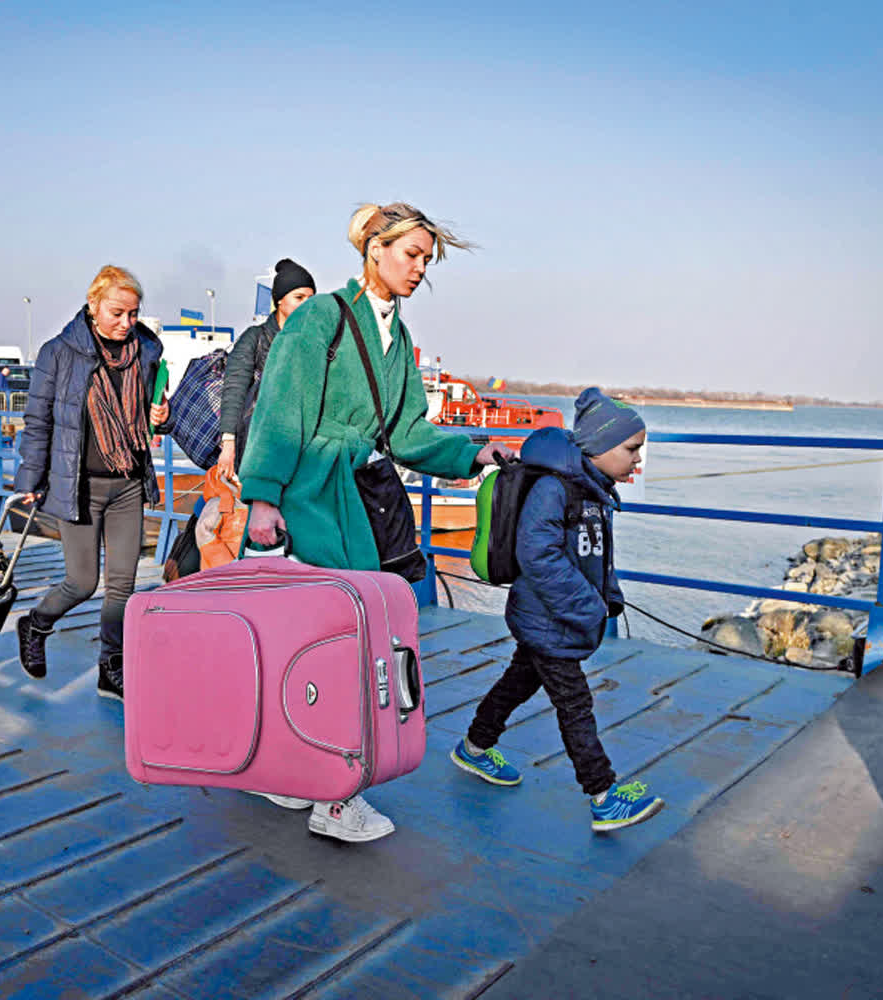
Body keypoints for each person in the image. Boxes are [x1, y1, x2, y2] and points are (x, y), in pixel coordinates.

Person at [241, 202, 516, 843]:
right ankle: (336, 800)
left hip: (357, 502)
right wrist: (263, 497)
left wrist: (474, 453)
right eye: (411, 254)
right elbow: (281, 409)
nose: (420, 268)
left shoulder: (397, 337)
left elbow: (407, 432)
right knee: (345, 651)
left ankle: (291, 773)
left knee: (325, 648)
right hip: (312, 497)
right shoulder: (321, 317)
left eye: (427, 259)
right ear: (374, 250)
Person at [451, 389, 664, 832]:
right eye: (631, 449)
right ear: (600, 446)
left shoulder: (594, 490)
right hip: (548, 619)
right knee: (575, 704)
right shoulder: (555, 489)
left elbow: (595, 557)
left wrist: (609, 595)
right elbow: (538, 554)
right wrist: (588, 607)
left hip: (554, 617)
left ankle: (474, 747)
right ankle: (603, 796)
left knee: (517, 683)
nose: (637, 460)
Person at [12, 265, 169, 696]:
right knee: (82, 582)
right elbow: (38, 421)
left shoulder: (146, 350)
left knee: (123, 586)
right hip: (79, 487)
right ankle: (36, 623)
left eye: (133, 314)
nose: (126, 323)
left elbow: (151, 412)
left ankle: (110, 666)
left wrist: (162, 415)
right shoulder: (59, 353)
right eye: (117, 313)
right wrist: (29, 478)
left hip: (128, 483)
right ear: (93, 304)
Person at [213, 258, 315, 484]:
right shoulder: (255, 338)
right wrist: (228, 445)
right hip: (258, 447)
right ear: (279, 300)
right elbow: (234, 390)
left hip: (301, 449)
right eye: (299, 298)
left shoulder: (314, 341)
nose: (307, 305)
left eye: (311, 298)